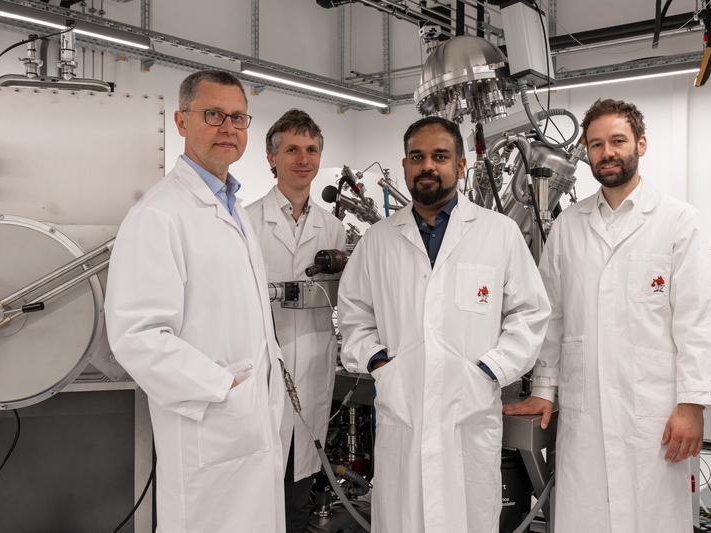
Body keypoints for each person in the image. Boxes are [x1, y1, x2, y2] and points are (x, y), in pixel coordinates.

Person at [504, 98, 711, 532]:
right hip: (586, 414)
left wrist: (693, 403)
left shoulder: (679, 221)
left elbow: (696, 319)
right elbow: (553, 316)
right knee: (585, 516)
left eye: (617, 141)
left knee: (654, 518)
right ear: (585, 152)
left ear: (640, 144)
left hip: (655, 413)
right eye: (596, 144)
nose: (607, 152)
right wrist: (545, 388)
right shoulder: (569, 225)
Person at [337, 116, 551, 533]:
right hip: (403, 413)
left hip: (469, 412)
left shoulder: (498, 233)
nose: (427, 166)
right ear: (404, 165)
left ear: (461, 164)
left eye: (440, 156)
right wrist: (381, 364)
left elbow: (530, 313)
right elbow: (353, 316)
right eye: (417, 157)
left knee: (468, 517)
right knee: (403, 518)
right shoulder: (379, 239)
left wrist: (491, 370)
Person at [104, 70, 285, 533]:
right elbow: (137, 336)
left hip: (249, 423)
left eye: (238, 117)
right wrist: (224, 389)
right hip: (210, 425)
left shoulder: (233, 208)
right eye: (213, 115)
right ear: (182, 122)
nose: (228, 127)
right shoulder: (158, 215)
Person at [247, 109, 346, 533]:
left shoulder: (335, 230)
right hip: (260, 377)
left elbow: (347, 301)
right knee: (255, 496)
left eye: (311, 150)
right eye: (292, 150)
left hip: (312, 370)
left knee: (297, 493)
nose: (303, 159)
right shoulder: (245, 223)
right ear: (272, 159)